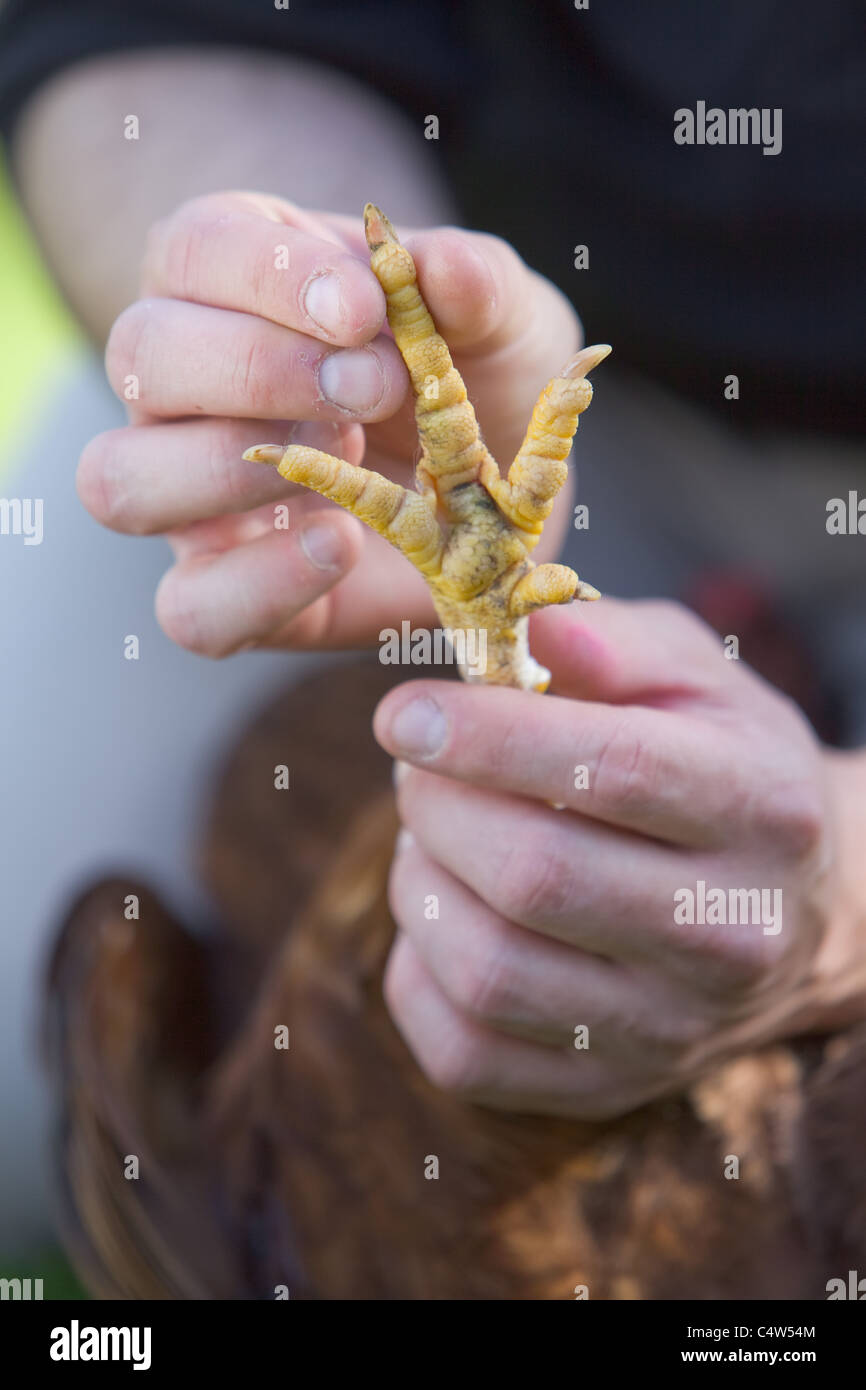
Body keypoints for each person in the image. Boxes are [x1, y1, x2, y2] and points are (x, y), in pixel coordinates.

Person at [0, 0, 863, 1209]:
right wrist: (299, 323)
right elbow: (151, 29)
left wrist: (841, 900)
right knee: (21, 1052)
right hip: (538, 366)